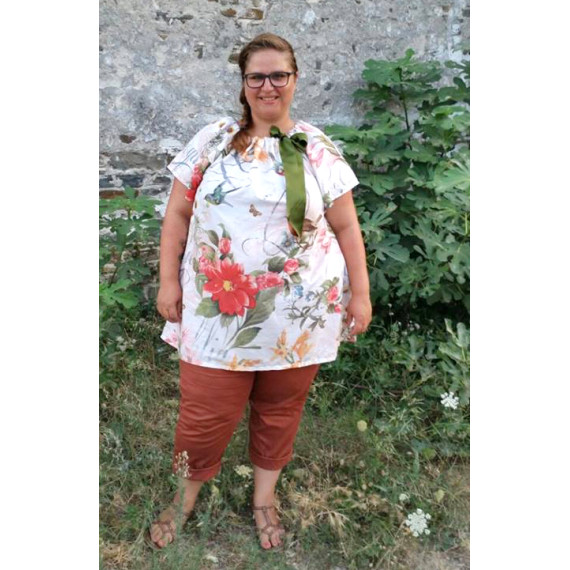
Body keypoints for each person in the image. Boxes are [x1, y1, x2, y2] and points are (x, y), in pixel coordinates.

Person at [149, 33, 372, 550]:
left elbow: (346, 226)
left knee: (280, 410)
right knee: (203, 415)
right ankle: (182, 499)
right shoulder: (214, 139)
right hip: (216, 312)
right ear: (243, 83)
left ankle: (264, 499)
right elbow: (177, 213)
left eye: (279, 75)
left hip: (300, 313)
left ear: (295, 79)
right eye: (257, 76)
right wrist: (168, 279)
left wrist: (359, 295)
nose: (268, 86)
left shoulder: (316, 146)